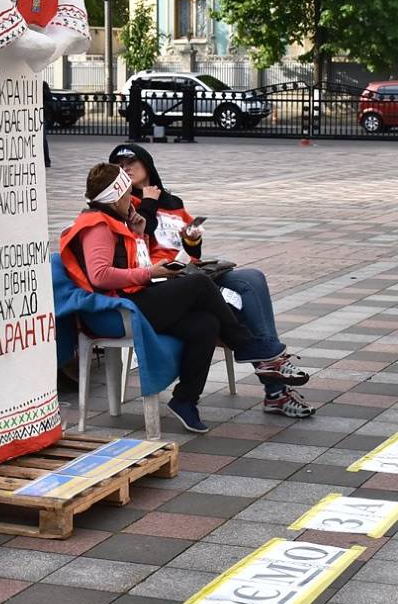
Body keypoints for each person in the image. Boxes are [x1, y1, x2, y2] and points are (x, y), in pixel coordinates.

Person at [60, 163, 285, 434]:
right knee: (199, 283)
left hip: (130, 301)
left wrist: (139, 233)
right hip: (116, 311)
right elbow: (100, 275)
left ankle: (185, 400)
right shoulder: (97, 226)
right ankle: (247, 346)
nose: (132, 201)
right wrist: (150, 273)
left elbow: (124, 260)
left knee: (206, 323)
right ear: (116, 197)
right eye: (128, 195)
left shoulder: (115, 220)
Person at [109, 142, 314, 417]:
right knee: (239, 310)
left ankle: (269, 367)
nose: (127, 168)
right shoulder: (124, 205)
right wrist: (148, 201)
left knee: (252, 277)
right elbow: (137, 239)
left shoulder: (173, 202)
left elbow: (191, 249)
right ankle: (275, 386)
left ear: (148, 164)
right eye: (120, 166)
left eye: (132, 162)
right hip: (163, 280)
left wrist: (193, 238)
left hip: (192, 271)